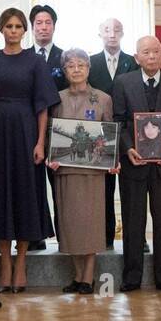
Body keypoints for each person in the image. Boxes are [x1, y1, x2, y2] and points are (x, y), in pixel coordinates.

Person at [0, 8, 56, 292]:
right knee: (0, 195)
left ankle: (22, 260)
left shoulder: (35, 61)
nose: (13, 31)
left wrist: (40, 143)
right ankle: (4, 261)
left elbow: (43, 106)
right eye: (8, 26)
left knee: (25, 195)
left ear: (24, 31)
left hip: (26, 133)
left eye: (18, 26)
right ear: (1, 29)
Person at [111, 35, 161, 293]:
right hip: (134, 163)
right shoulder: (123, 82)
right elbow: (118, 120)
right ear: (137, 57)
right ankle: (131, 277)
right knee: (133, 223)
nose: (152, 56)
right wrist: (128, 148)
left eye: (156, 51)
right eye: (146, 52)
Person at [49, 48, 118, 293]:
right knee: (70, 224)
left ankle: (88, 278)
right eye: (70, 66)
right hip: (65, 170)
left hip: (93, 172)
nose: (76, 70)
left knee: (91, 224)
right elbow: (51, 135)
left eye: (81, 65)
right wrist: (51, 157)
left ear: (89, 68)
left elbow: (110, 133)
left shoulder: (103, 98)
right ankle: (77, 276)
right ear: (64, 71)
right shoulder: (56, 98)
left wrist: (113, 159)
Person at [89, 18, 138, 250]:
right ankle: (105, 237)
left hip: (129, 133)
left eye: (116, 30)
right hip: (100, 134)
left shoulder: (133, 62)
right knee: (104, 190)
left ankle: (137, 238)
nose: (112, 34)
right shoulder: (90, 62)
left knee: (132, 191)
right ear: (99, 33)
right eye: (107, 29)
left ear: (123, 33)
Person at [28, 4, 66, 251]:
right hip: (28, 130)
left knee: (61, 188)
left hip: (60, 130)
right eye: (39, 23)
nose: (43, 27)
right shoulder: (23, 56)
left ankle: (66, 238)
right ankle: (34, 235)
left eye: (48, 22)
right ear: (32, 27)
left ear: (54, 26)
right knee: (31, 186)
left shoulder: (65, 58)